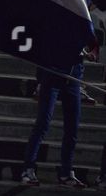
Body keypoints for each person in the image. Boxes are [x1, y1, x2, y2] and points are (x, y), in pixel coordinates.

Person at [20, 53, 89, 188]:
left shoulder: (84, 30)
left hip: (73, 77)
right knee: (43, 124)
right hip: (52, 75)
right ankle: (28, 169)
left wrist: (91, 52)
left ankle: (66, 172)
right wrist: (40, 79)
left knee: (72, 128)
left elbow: (91, 43)